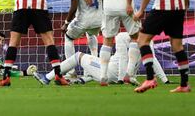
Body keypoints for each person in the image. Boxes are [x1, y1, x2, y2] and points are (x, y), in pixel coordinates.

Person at [33, 32, 169, 85]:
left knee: (78, 56)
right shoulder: (148, 41)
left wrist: (122, 79)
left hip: (110, 73)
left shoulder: (122, 36)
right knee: (99, 60)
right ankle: (83, 79)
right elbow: (153, 61)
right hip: (121, 75)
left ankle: (47, 78)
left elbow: (122, 56)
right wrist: (165, 80)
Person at [61, 0, 102, 79]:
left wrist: (66, 22)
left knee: (68, 37)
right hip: (99, 20)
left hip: (83, 20)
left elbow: (73, 7)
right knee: (92, 35)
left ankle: (71, 71)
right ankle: (92, 71)